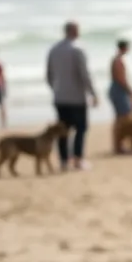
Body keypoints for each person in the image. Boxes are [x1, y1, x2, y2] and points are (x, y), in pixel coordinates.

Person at [46, 21, 98, 170]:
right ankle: (77, 158)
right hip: (76, 97)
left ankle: (63, 160)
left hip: (60, 97)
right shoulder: (78, 49)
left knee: (63, 129)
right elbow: (84, 74)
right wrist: (92, 93)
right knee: (81, 128)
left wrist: (56, 89)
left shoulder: (54, 49)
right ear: (74, 31)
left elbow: (49, 75)